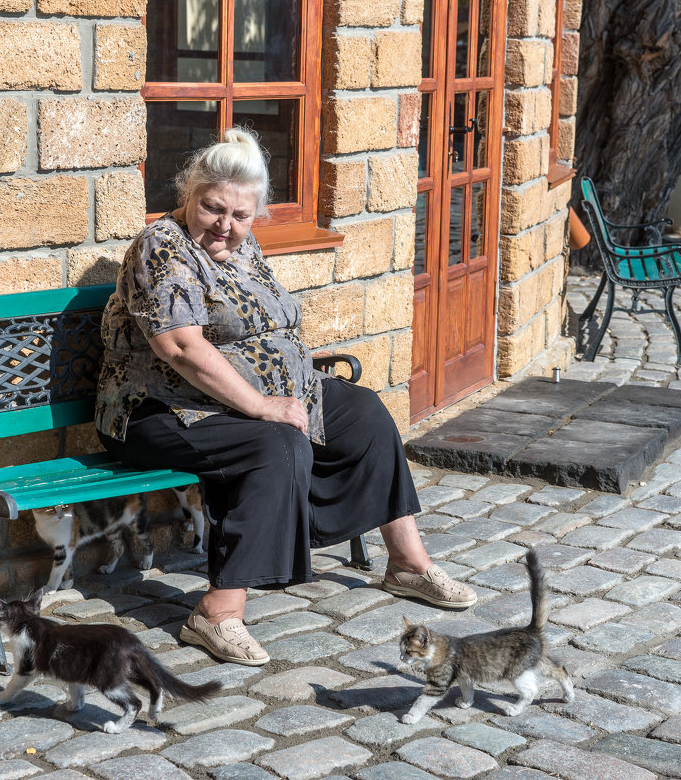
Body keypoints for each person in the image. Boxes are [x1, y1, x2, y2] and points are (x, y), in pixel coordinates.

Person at [95, 127, 476, 666]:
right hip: (157, 409)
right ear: (188, 195)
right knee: (277, 446)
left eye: (240, 215)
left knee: (363, 414)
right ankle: (217, 614)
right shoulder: (162, 247)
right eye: (213, 209)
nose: (226, 226)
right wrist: (262, 404)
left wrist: (290, 384)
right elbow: (180, 347)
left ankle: (408, 564)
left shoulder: (242, 248)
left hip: (238, 398)